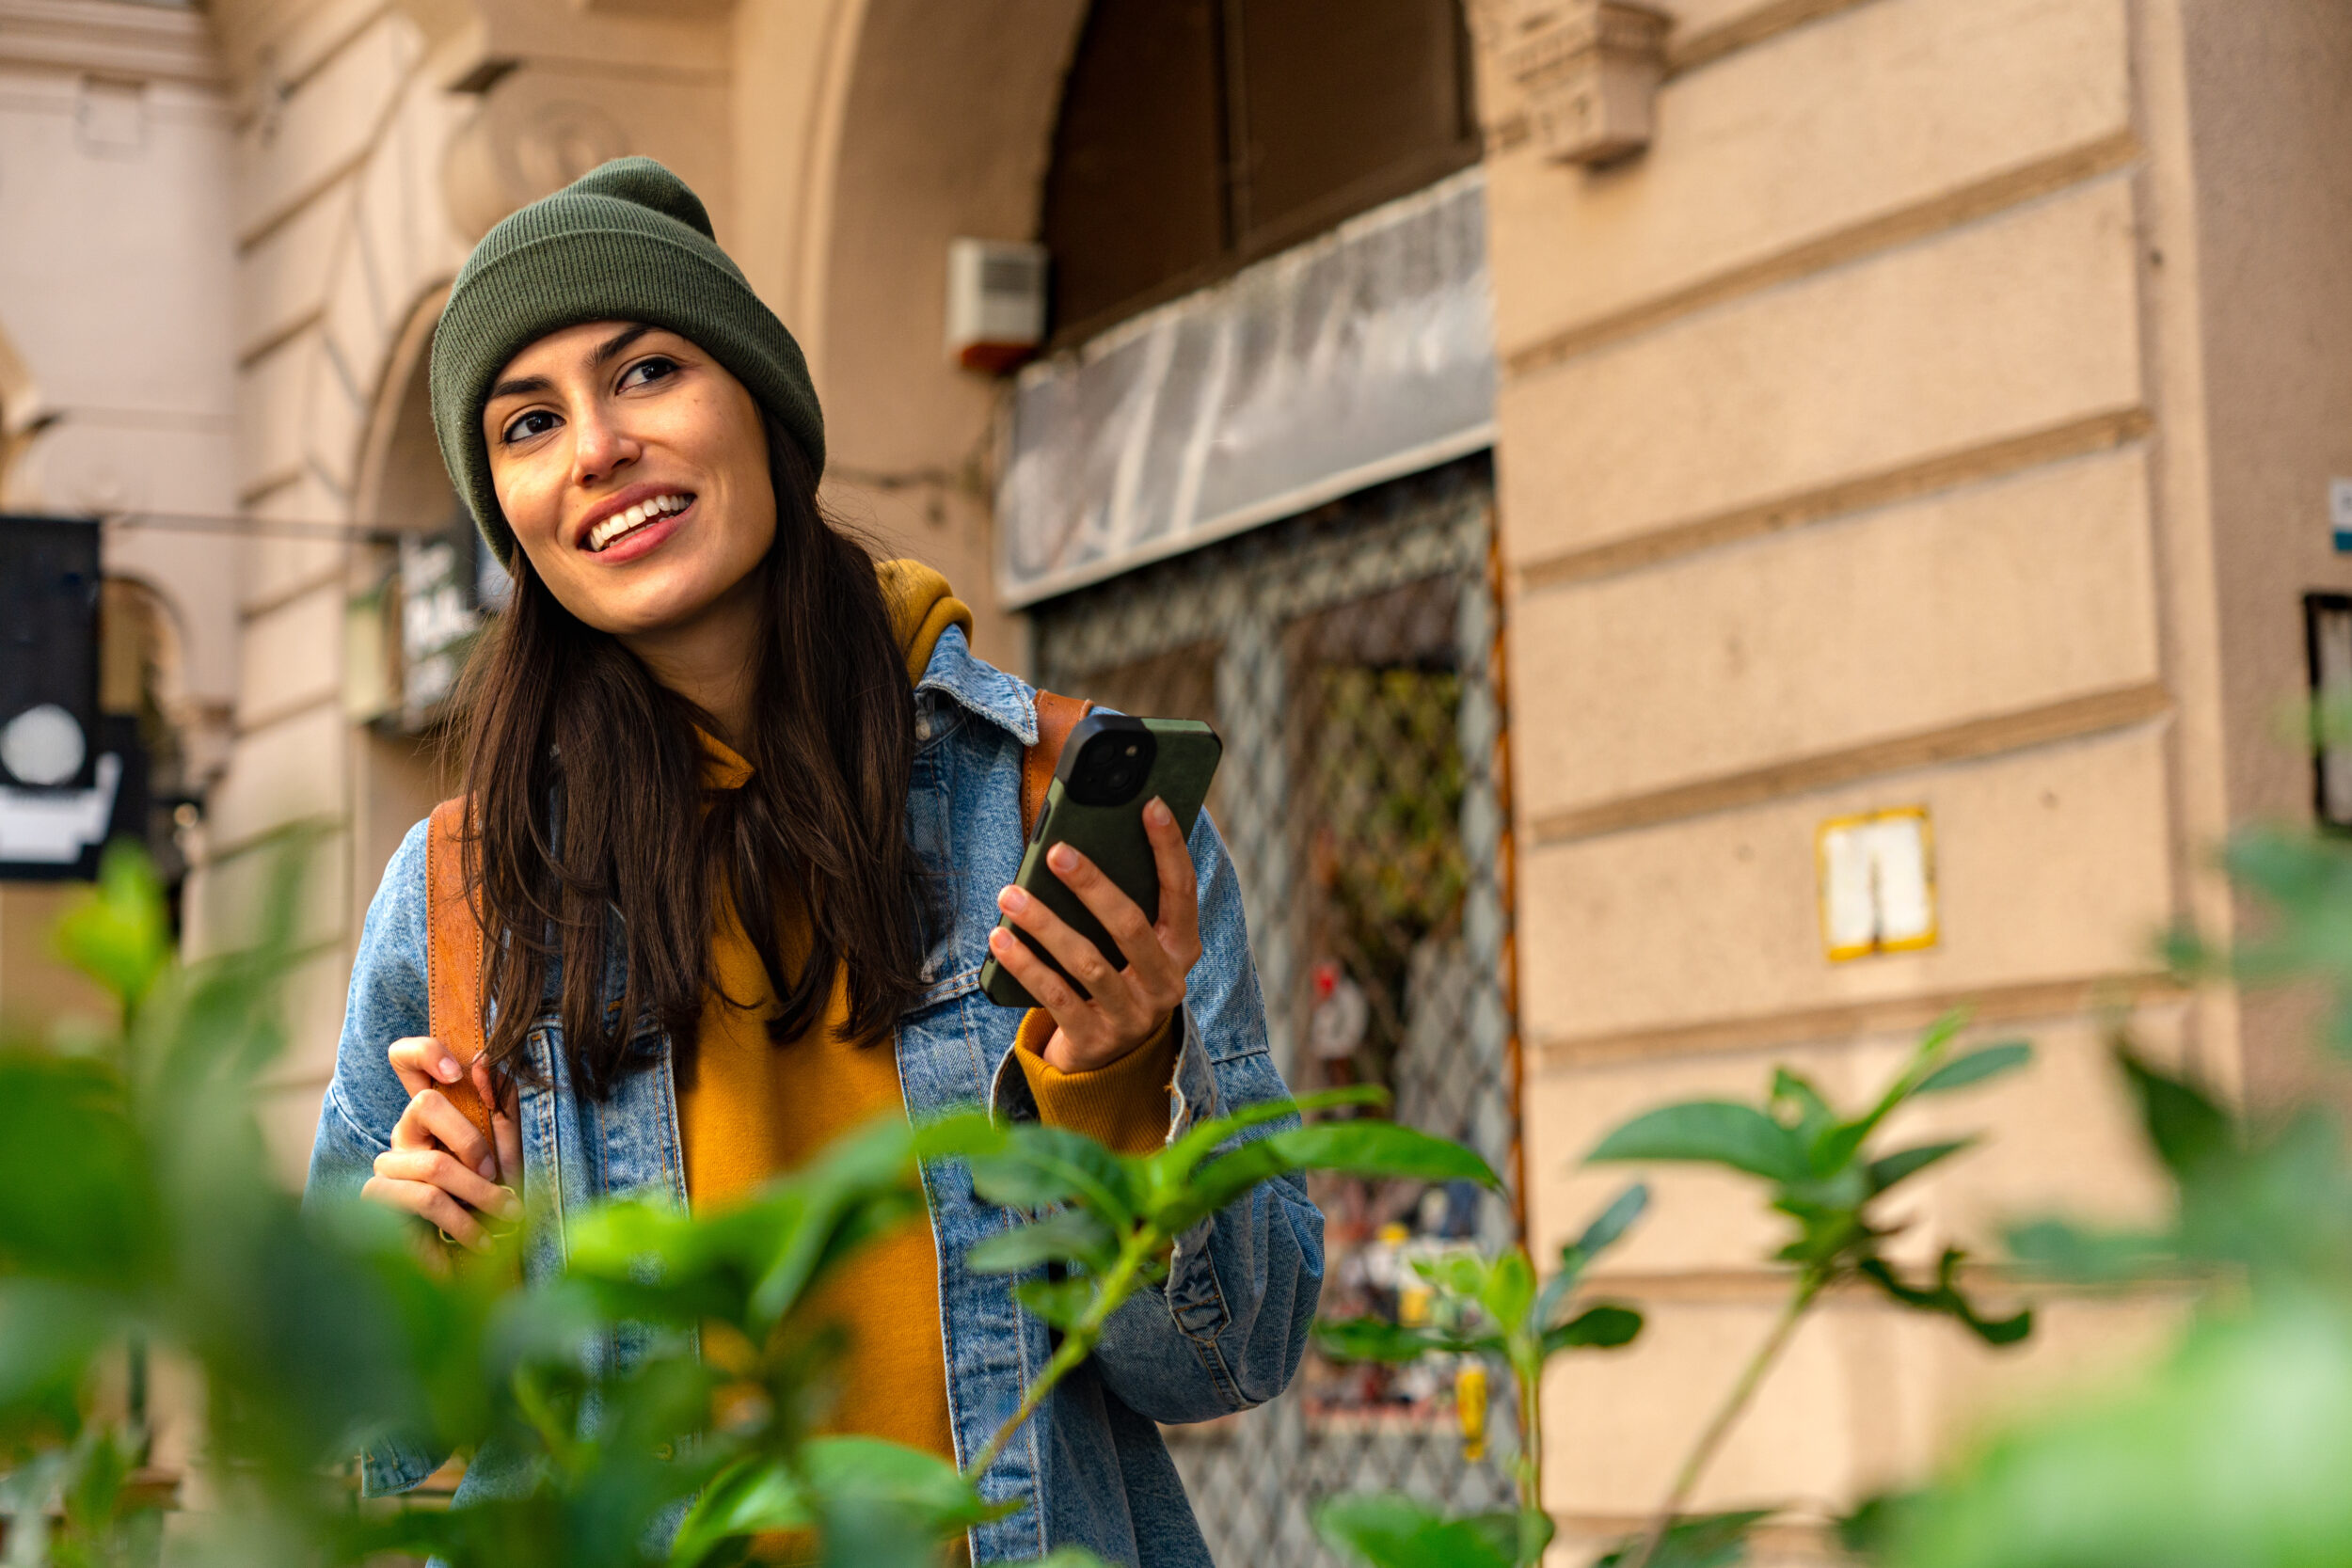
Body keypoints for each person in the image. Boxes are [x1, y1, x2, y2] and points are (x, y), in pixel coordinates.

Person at [303, 157, 1322, 1566]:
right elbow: (349, 1455)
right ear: (511, 516)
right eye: (528, 422)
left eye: (647, 371)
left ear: (762, 407)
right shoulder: (468, 894)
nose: (595, 448)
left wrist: (1115, 1094)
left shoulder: (1047, 803)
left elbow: (1232, 1360)